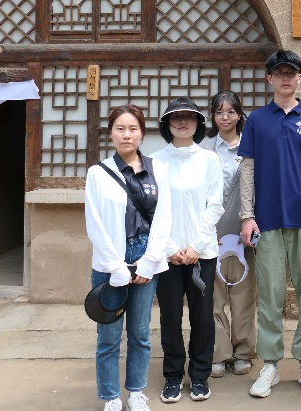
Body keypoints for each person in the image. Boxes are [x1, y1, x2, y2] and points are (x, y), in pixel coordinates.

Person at [238, 49, 301, 399]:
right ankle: (270, 364)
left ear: (299, 77)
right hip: (267, 222)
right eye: (279, 73)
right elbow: (247, 170)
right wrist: (247, 216)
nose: (285, 78)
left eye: (290, 73)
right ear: (269, 78)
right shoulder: (257, 120)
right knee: (270, 297)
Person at [85, 104, 173, 411]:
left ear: (142, 133)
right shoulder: (98, 173)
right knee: (108, 335)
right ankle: (111, 396)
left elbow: (163, 218)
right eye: (120, 128)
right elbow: (94, 223)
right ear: (111, 133)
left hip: (146, 255)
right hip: (111, 259)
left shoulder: (158, 169)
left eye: (133, 129)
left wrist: (149, 262)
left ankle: (136, 392)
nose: (127, 135)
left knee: (139, 332)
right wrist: (115, 267)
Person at [152, 97, 224, 404]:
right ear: (167, 124)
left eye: (189, 117)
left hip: (201, 254)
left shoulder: (209, 160)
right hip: (166, 254)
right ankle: (172, 375)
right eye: (176, 117)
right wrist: (169, 247)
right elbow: (152, 209)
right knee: (170, 315)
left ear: (198, 124)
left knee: (202, 317)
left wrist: (196, 245)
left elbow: (215, 205)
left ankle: (199, 375)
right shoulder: (154, 161)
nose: (183, 122)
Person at [199, 90, 257, 378]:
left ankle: (243, 351)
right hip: (212, 235)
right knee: (213, 297)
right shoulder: (203, 148)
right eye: (219, 111)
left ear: (239, 115)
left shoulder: (251, 146)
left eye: (231, 111)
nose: (225, 117)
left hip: (243, 233)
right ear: (212, 115)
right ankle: (219, 353)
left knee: (243, 297)